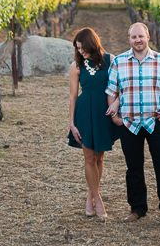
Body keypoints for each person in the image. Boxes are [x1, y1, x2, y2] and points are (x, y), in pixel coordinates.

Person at [105, 22, 160, 225]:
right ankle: (137, 208)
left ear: (148, 37)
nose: (137, 40)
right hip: (129, 124)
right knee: (134, 168)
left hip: (156, 122)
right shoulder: (119, 62)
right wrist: (114, 117)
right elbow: (112, 92)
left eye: (141, 36)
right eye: (134, 37)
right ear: (129, 39)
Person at [68, 27, 119, 220]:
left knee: (99, 158)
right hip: (85, 112)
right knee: (89, 158)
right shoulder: (76, 66)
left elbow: (121, 87)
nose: (80, 51)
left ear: (92, 43)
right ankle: (97, 199)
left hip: (103, 112)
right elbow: (73, 97)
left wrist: (117, 102)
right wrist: (72, 124)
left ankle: (90, 194)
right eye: (78, 48)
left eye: (82, 47)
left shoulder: (111, 60)